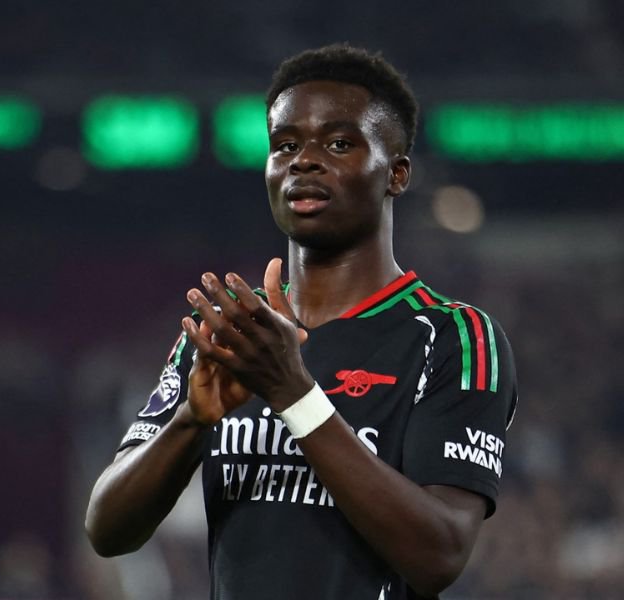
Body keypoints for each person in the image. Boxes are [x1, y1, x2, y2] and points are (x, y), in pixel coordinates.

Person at [85, 43, 518, 600]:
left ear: (398, 174)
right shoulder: (229, 329)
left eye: (339, 143)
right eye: (284, 144)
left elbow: (439, 554)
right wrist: (191, 421)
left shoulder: (455, 337)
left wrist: (294, 390)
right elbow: (107, 529)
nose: (303, 161)